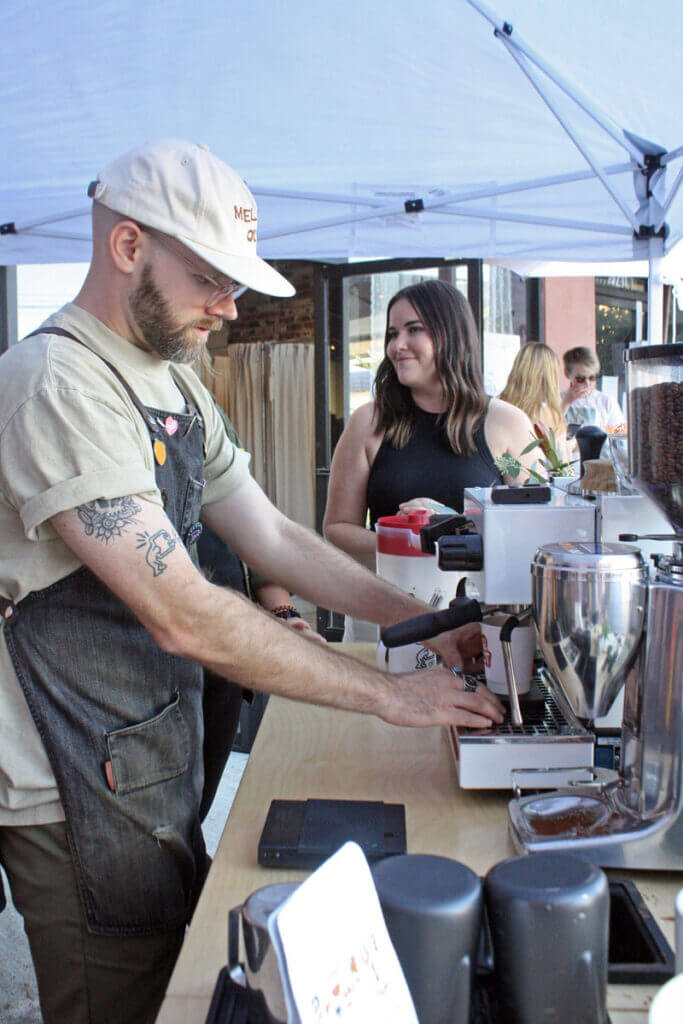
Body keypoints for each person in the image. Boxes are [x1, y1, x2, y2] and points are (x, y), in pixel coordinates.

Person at [0, 139, 504, 1024]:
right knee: (122, 997)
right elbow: (183, 615)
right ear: (127, 248)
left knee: (169, 972)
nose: (229, 309)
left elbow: (270, 534)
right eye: (211, 279)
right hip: (63, 780)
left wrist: (421, 624)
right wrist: (393, 698)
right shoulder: (56, 382)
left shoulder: (172, 381)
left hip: (140, 752)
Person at [323, 279, 541, 573]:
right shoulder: (370, 423)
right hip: (392, 604)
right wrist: (409, 542)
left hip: (482, 608)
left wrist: (449, 524)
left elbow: (530, 516)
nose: (397, 346)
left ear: (451, 334)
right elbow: (338, 527)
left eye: (414, 330)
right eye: (392, 333)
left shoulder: (502, 426)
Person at [197, 399, 324, 820]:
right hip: (148, 668)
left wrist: (284, 615)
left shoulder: (201, 408)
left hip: (223, 665)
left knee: (197, 811)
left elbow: (257, 543)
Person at [499, 342, 573, 465]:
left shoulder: (498, 407)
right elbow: (561, 468)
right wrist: (570, 446)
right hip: (536, 481)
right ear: (550, 376)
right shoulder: (550, 414)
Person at [561, 345, 626, 431]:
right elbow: (549, 432)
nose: (587, 383)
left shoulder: (606, 401)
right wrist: (566, 402)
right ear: (567, 374)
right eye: (580, 379)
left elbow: (620, 436)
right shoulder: (557, 400)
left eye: (592, 378)